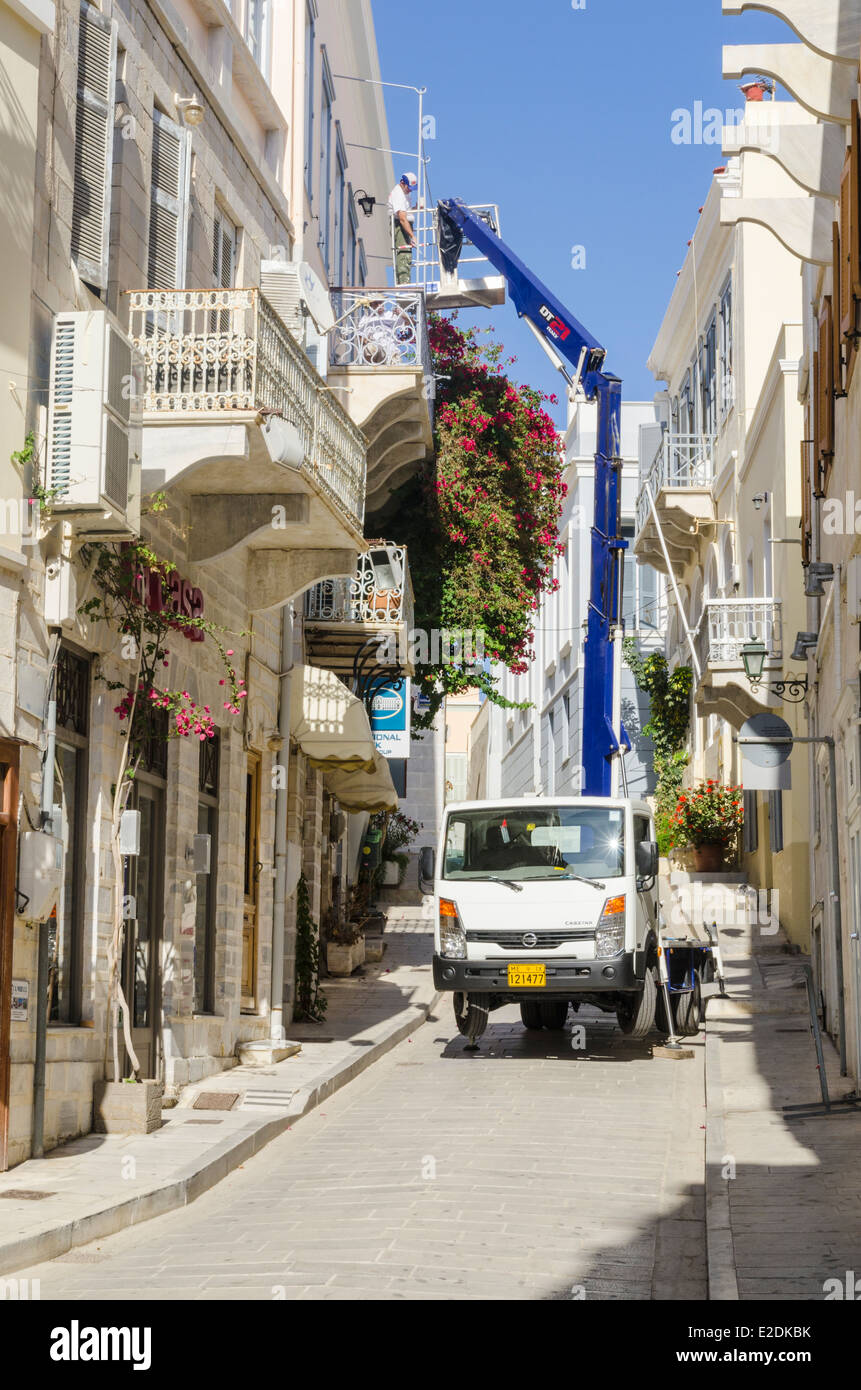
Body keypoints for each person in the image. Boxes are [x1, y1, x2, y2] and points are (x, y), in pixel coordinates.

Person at [388, 172, 418, 285]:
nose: (410, 190)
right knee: (404, 253)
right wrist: (412, 236)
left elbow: (405, 212)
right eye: (409, 187)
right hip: (400, 226)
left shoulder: (405, 193)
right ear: (402, 183)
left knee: (406, 253)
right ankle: (404, 283)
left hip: (404, 224)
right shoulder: (398, 194)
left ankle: (404, 281)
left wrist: (415, 208)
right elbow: (402, 218)